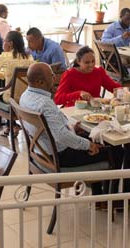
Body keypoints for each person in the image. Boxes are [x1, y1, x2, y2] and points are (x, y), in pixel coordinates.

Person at [20, 63, 122, 195]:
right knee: (116, 151)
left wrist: (71, 128)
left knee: (97, 138)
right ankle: (113, 199)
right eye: (51, 75)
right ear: (40, 82)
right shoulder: (45, 104)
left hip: (41, 152)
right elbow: (62, 137)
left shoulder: (25, 96)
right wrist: (88, 145)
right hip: (60, 157)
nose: (55, 78)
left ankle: (99, 195)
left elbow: (54, 128)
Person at [54, 46, 121, 108]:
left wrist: (122, 91)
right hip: (75, 109)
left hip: (95, 109)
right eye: (87, 62)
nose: (91, 65)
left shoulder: (99, 72)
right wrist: (78, 94)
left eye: (93, 61)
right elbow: (57, 99)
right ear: (78, 62)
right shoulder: (69, 74)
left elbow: (114, 87)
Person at [0, 30, 33, 103]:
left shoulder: (5, 56)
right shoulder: (30, 57)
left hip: (11, 99)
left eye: (4, 41)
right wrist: (7, 74)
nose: (3, 43)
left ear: (11, 43)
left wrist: (3, 75)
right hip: (26, 99)